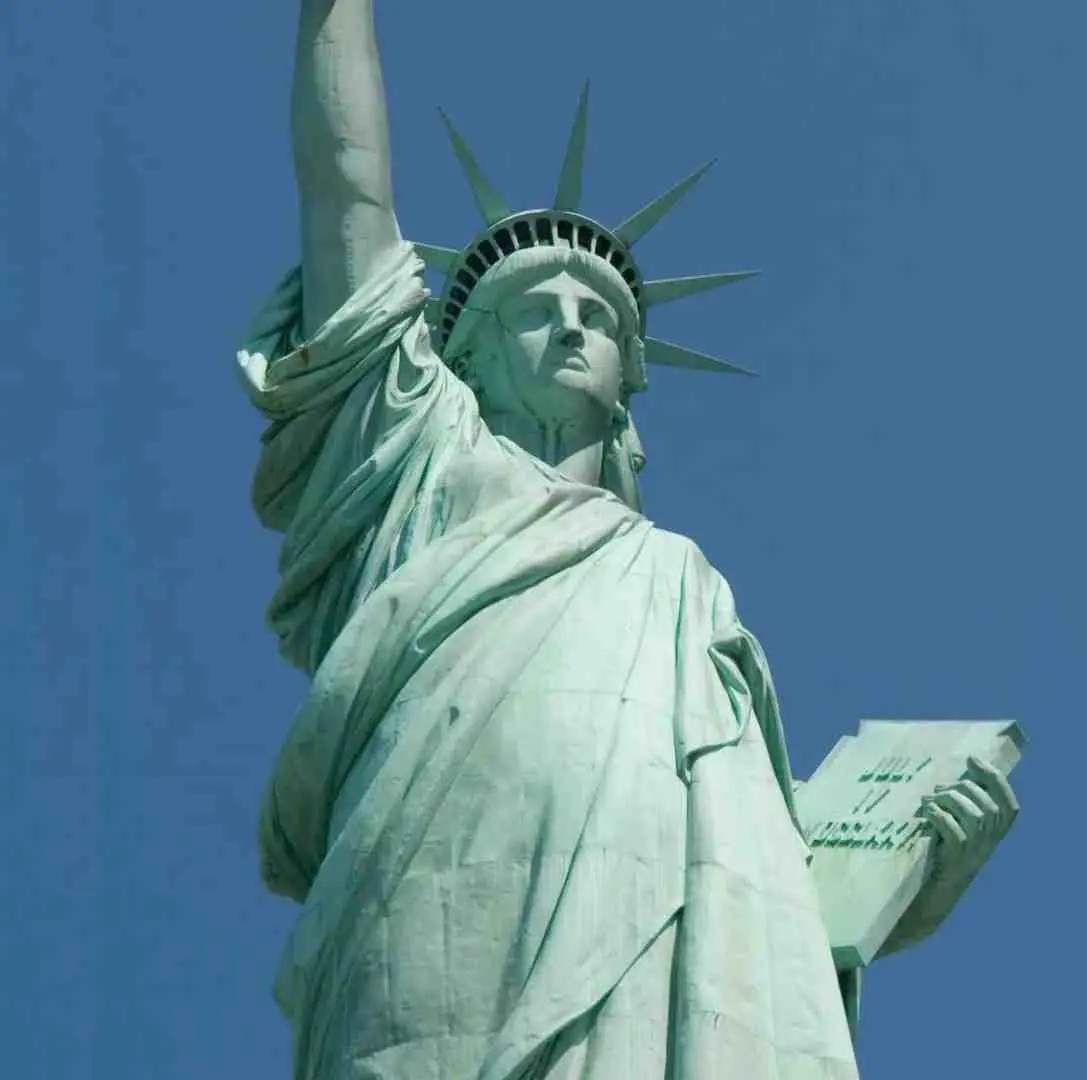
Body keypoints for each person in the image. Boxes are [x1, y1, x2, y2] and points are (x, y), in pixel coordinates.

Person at [239, 3, 1017, 1077]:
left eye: (597, 314)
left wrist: (909, 880)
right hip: (434, 891)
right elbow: (345, 185)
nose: (568, 324)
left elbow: (758, 870)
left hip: (669, 959)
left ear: (627, 378)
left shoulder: (680, 584)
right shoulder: (410, 470)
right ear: (457, 357)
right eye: (531, 307)